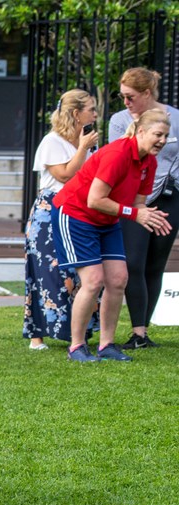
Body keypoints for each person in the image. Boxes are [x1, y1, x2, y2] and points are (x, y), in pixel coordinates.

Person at [52, 109, 172, 362]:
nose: (161, 141)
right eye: (157, 134)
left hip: (107, 220)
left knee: (118, 279)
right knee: (93, 281)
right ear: (140, 131)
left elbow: (138, 204)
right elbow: (95, 200)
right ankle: (77, 347)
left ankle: (107, 345)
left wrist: (151, 216)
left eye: (166, 136)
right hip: (76, 214)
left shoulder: (149, 162)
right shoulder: (117, 154)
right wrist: (134, 214)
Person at [108, 68, 179, 349]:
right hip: (133, 200)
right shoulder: (119, 120)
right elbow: (118, 157)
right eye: (122, 96)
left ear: (147, 94)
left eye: (130, 97)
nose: (125, 102)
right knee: (134, 262)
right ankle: (138, 327)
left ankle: (141, 333)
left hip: (169, 197)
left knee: (155, 265)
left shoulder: (175, 116)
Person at [23, 90, 99, 350]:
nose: (95, 114)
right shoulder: (52, 141)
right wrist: (82, 148)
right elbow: (65, 175)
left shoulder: (87, 141)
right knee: (46, 273)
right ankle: (37, 336)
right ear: (76, 113)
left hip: (78, 210)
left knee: (76, 271)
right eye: (91, 109)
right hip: (50, 211)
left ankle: (77, 331)